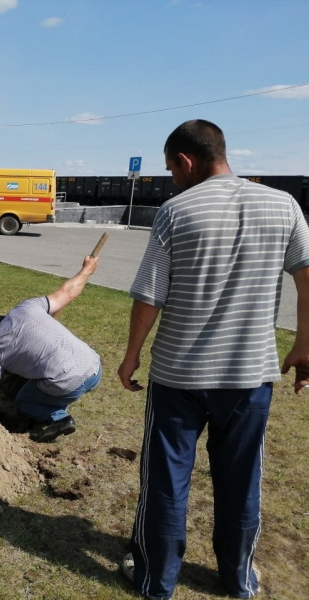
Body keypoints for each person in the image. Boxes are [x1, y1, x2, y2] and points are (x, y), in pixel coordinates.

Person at [117, 119, 309, 600]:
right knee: (241, 480)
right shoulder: (283, 205)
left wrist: (131, 356)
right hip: (249, 377)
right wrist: (305, 345)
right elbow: (307, 276)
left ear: (186, 161)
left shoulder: (176, 211)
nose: (171, 178)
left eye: (170, 169)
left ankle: (156, 580)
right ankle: (238, 580)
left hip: (178, 376)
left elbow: (148, 297)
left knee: (165, 479)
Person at [0, 256, 102, 442]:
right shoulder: (28, 306)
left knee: (23, 401)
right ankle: (57, 402)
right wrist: (87, 270)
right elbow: (68, 292)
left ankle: (60, 418)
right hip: (94, 370)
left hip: (69, 383)